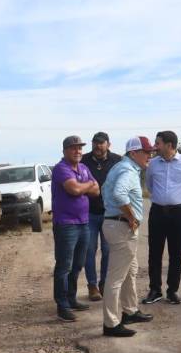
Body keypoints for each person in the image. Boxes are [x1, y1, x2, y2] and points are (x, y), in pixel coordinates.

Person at [101, 136, 156, 337]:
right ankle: (111, 323)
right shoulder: (127, 170)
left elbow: (104, 190)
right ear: (133, 153)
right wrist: (131, 217)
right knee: (116, 278)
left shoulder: (121, 167)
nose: (150, 155)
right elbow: (119, 194)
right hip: (121, 226)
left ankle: (130, 311)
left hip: (117, 224)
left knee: (130, 271)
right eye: (146, 152)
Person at [142, 131, 181, 305]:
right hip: (158, 212)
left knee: (176, 254)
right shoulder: (152, 164)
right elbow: (150, 185)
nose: (155, 146)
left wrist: (179, 202)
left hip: (179, 213)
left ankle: (172, 290)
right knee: (154, 252)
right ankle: (155, 289)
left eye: (158, 143)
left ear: (169, 144)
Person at [51, 135, 100, 322]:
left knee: (78, 264)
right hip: (66, 224)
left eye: (79, 148)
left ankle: (71, 299)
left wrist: (85, 186)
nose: (78, 151)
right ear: (65, 151)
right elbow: (75, 190)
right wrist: (87, 185)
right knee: (64, 266)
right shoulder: (61, 169)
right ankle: (62, 305)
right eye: (73, 148)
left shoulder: (83, 168)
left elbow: (98, 191)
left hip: (83, 222)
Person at [81, 132, 123, 300]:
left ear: (108, 144)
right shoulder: (84, 160)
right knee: (89, 250)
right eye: (95, 143)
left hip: (109, 213)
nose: (97, 146)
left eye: (101, 143)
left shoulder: (117, 160)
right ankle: (92, 286)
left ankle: (104, 283)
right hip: (89, 213)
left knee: (107, 250)